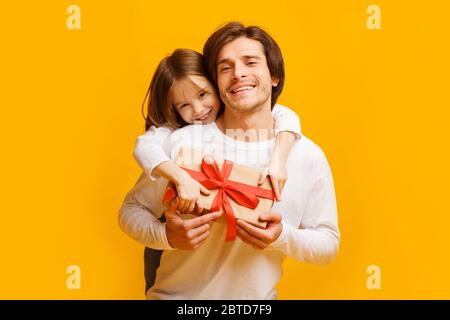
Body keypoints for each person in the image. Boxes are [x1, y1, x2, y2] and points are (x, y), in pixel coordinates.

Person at [119, 22, 340, 299]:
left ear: (274, 76)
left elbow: (328, 243)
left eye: (250, 62)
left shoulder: (306, 156)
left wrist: (282, 236)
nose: (238, 74)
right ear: (216, 82)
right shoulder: (183, 142)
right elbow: (131, 210)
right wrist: (166, 237)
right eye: (225, 68)